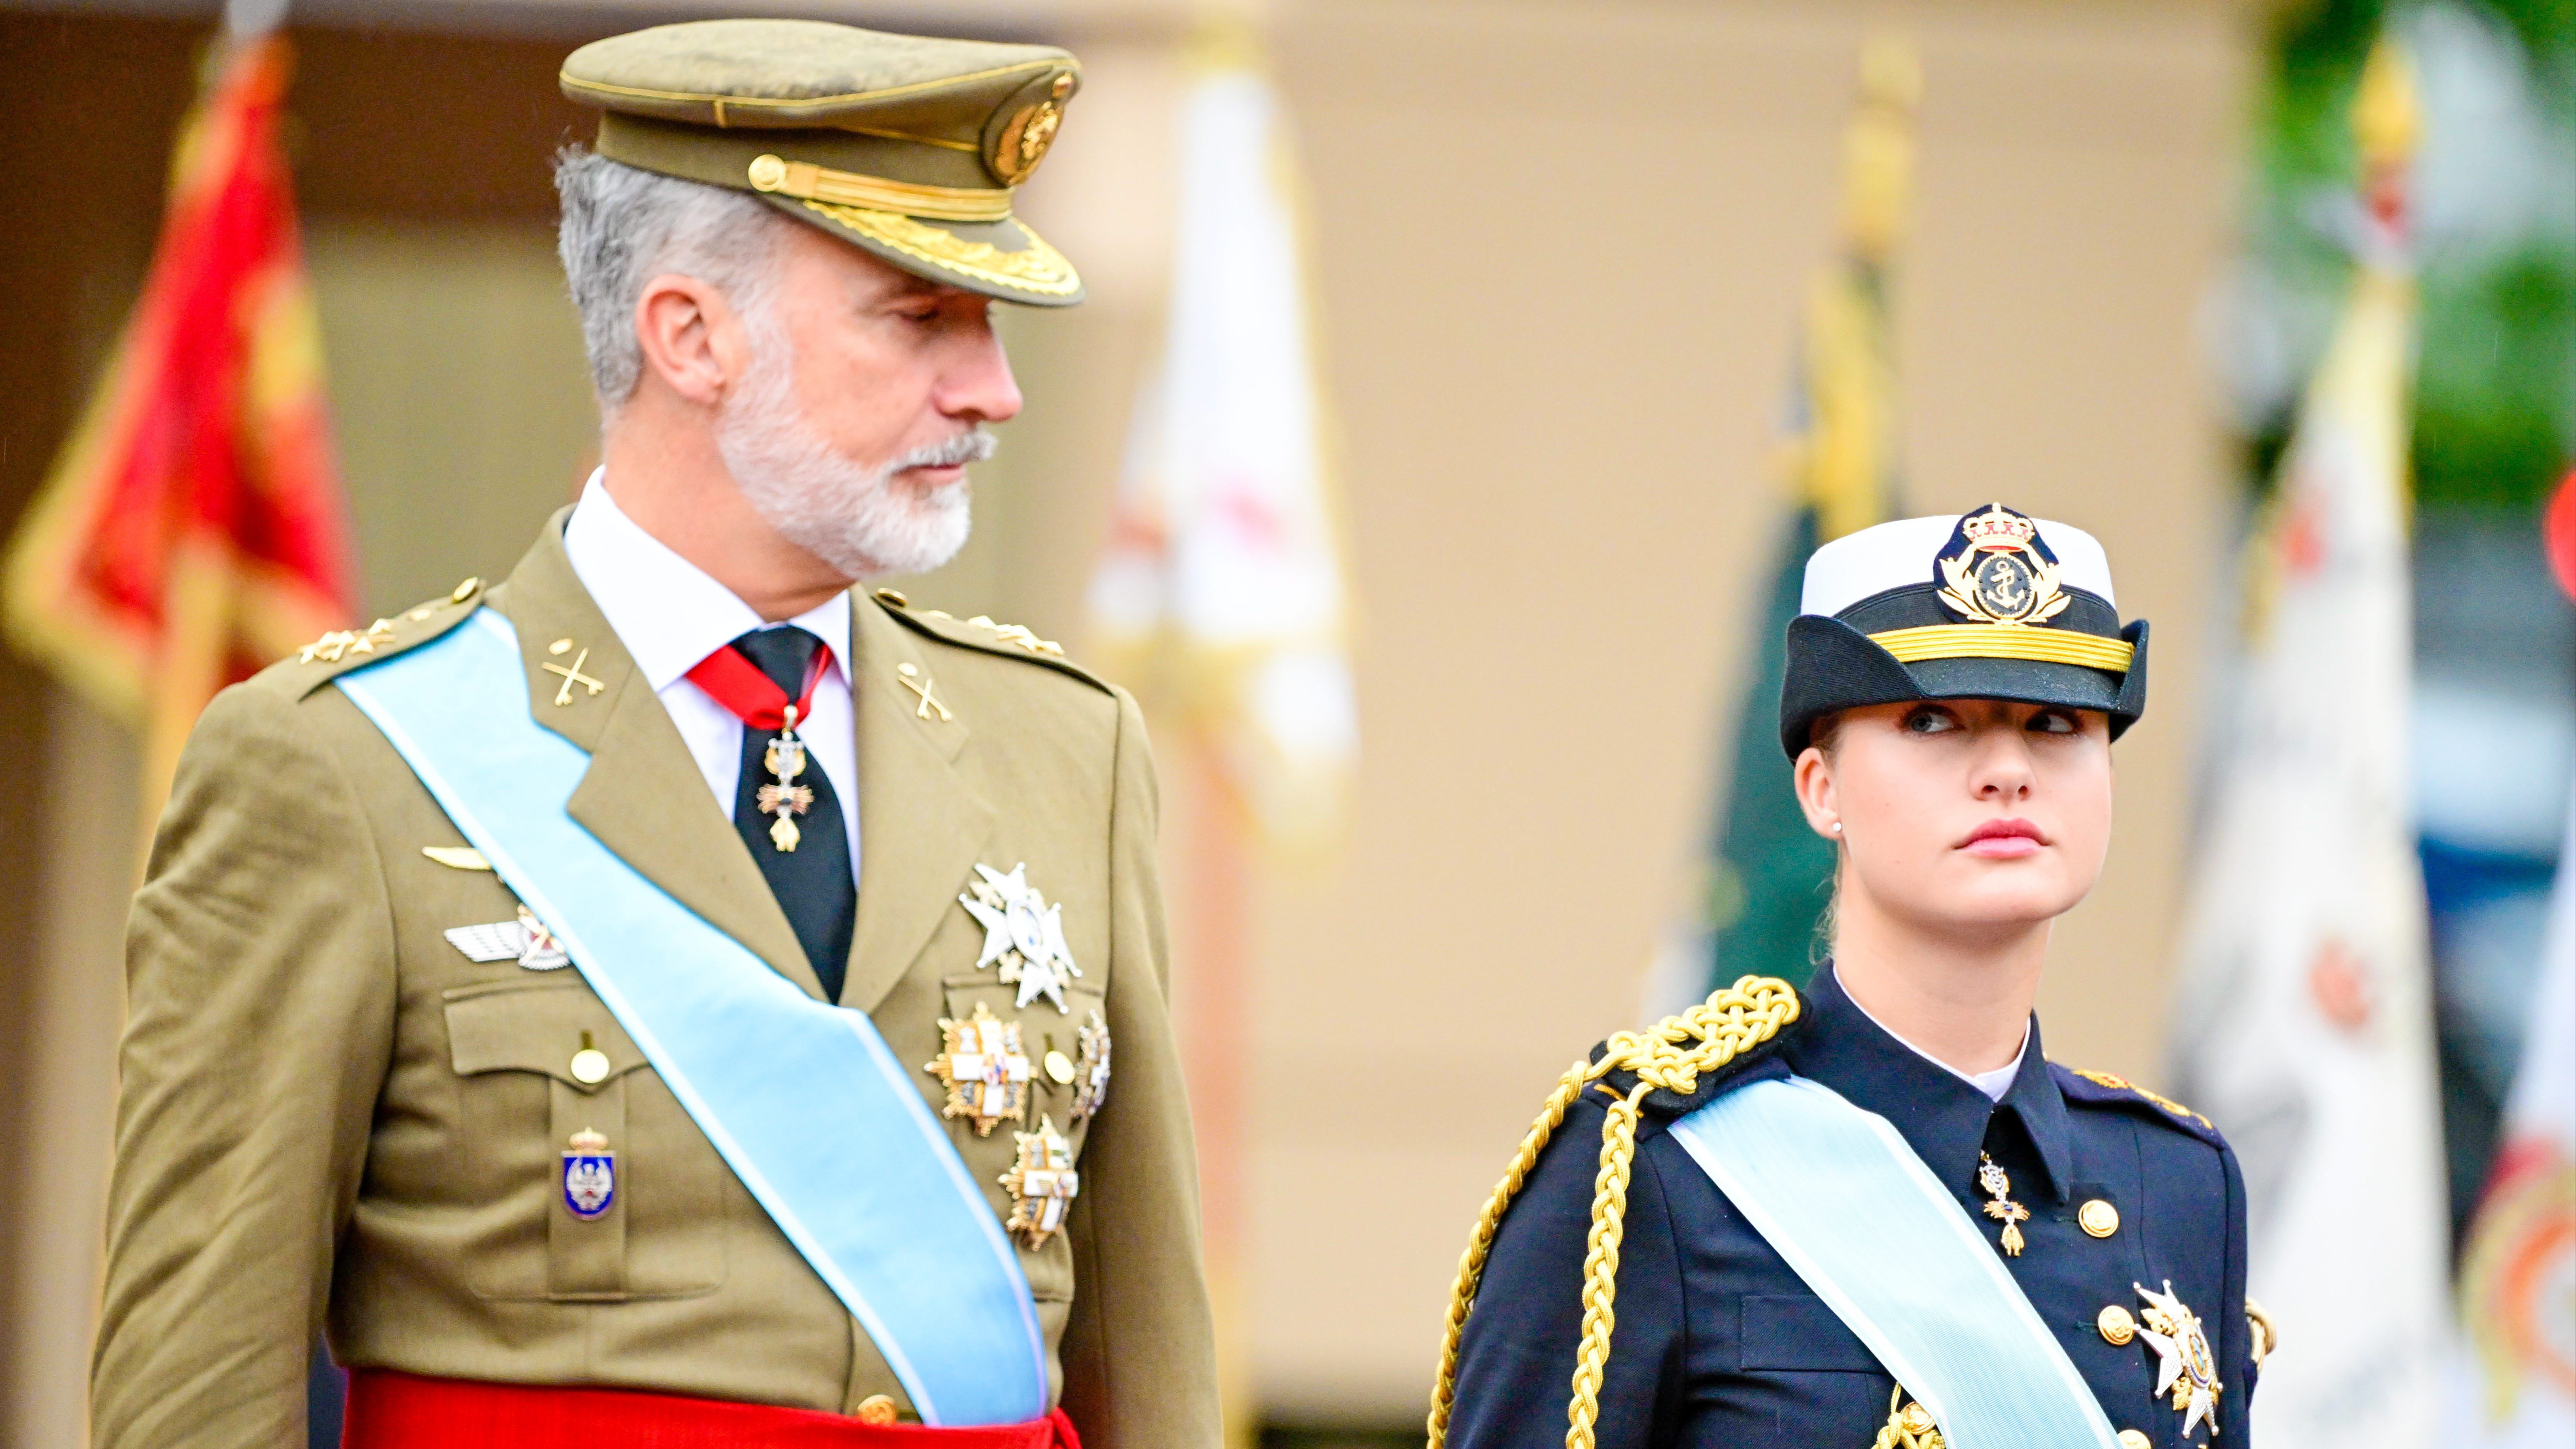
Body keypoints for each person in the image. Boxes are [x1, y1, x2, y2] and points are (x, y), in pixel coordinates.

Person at [90, 19, 1217, 1448]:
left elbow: (1148, 1361)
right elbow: (191, 1395)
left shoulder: (1071, 749)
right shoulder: (341, 767)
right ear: (690, 334)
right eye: (917, 315)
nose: (991, 390)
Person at [1430, 504, 2269, 1449]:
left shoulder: (2181, 1182)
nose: (2006, 769)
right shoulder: (1657, 1170)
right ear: (1820, 788)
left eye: (2055, 721)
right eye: (1933, 719)